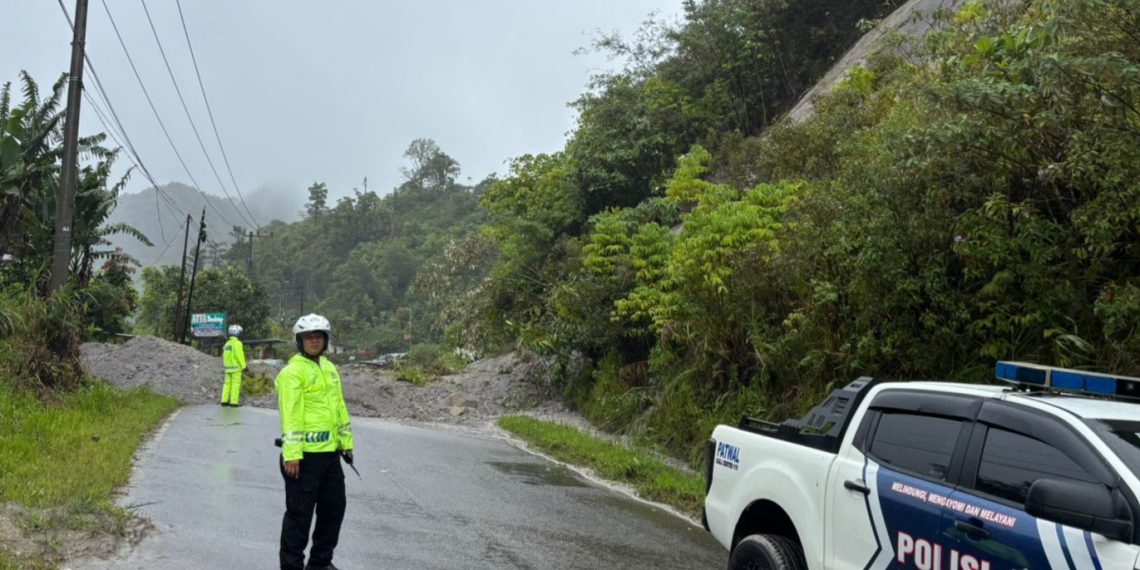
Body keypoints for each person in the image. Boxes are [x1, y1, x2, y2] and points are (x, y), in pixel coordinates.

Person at [275, 313, 354, 570]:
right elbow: (291, 414)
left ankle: (320, 563)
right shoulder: (292, 373)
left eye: (319, 337)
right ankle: (291, 566)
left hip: (330, 456)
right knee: (299, 518)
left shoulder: (330, 369)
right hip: (303, 458)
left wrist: (346, 442)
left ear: (326, 340)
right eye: (309, 337)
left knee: (334, 511)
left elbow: (339, 408)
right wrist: (292, 453)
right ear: (299, 341)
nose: (314, 341)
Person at [220, 324, 247, 406]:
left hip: (227, 368)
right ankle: (233, 402)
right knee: (235, 384)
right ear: (237, 333)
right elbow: (240, 356)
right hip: (236, 369)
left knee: (227, 384)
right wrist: (244, 366)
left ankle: (224, 401)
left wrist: (226, 365)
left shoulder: (227, 344)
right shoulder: (237, 343)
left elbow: (224, 356)